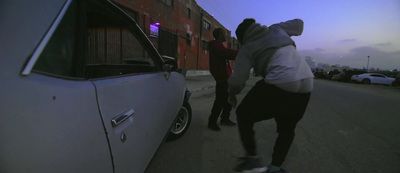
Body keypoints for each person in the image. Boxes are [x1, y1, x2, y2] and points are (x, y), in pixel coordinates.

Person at [229, 18, 314, 173]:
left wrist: (231, 94)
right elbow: (300, 24)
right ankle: (275, 168)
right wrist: (279, 27)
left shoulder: (247, 47)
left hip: (281, 81)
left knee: (243, 114)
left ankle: (253, 160)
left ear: (242, 38)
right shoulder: (276, 29)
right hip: (307, 82)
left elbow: (238, 80)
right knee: (287, 128)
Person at [208, 28, 238, 131]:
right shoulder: (216, 46)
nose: (226, 36)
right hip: (222, 80)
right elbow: (227, 53)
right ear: (220, 35)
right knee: (220, 102)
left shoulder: (219, 45)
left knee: (228, 101)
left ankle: (225, 119)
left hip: (226, 79)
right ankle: (212, 122)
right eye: (224, 34)